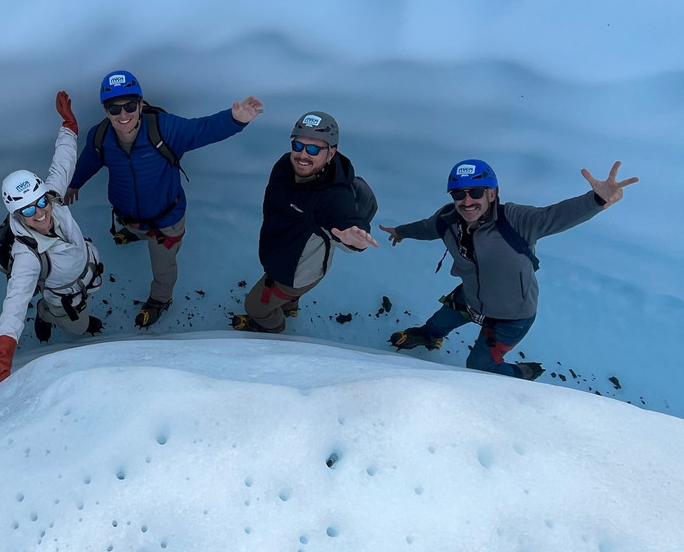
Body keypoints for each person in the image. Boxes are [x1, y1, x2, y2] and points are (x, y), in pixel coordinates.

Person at [379, 159, 638, 380]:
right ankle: (429, 337)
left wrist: (596, 200)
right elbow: (427, 228)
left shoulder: (515, 220)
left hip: (512, 316)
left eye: (475, 192)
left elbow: (555, 215)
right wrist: (401, 232)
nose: (467, 201)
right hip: (470, 299)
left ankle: (522, 373)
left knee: (480, 366)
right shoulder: (447, 220)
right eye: (458, 194)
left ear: (492, 193)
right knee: (438, 323)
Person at [65, 70, 264, 328]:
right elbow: (89, 161)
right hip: (128, 214)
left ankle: (160, 299)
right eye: (115, 108)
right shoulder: (100, 136)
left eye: (129, 106)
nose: (123, 114)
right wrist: (74, 183)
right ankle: (136, 234)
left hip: (165, 221)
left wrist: (234, 120)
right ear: (106, 111)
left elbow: (202, 129)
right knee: (134, 227)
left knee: (163, 268)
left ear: (141, 104)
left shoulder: (164, 129)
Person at [0, 91, 104, 397]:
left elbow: (62, 164)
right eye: (27, 210)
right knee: (78, 326)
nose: (40, 213)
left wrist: (68, 125)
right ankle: (46, 314)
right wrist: (3, 356)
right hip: (64, 295)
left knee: (83, 314)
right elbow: (16, 301)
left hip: (86, 268)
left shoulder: (53, 199)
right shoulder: (27, 254)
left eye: (41, 202)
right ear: (16, 214)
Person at [231, 111, 379, 333]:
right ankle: (289, 308)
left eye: (313, 149)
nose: (302, 155)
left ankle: (272, 328)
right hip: (283, 254)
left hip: (295, 274)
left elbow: (345, 217)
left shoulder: (331, 196)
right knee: (280, 297)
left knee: (255, 306)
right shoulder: (285, 165)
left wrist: (354, 239)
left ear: (331, 152)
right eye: (298, 145)